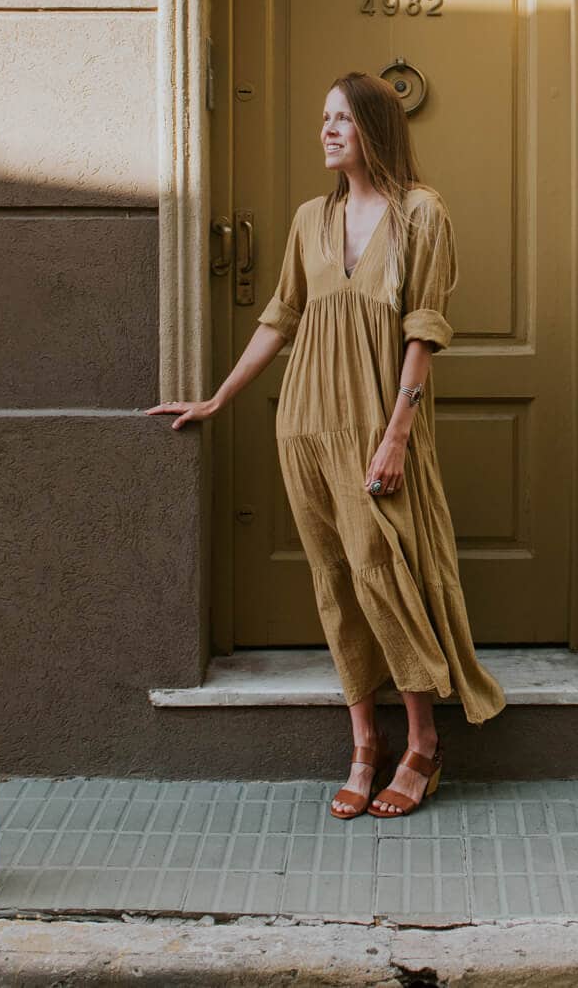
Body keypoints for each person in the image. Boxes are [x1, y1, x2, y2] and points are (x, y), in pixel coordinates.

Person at [149, 71, 506, 819]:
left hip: (377, 427)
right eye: (323, 118)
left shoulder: (420, 215)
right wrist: (219, 396)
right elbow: (280, 317)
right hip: (304, 424)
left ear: (375, 125)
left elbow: (423, 332)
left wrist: (397, 437)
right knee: (336, 585)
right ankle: (363, 744)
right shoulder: (311, 217)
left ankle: (422, 740)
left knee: (385, 575)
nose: (327, 129)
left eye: (341, 117)